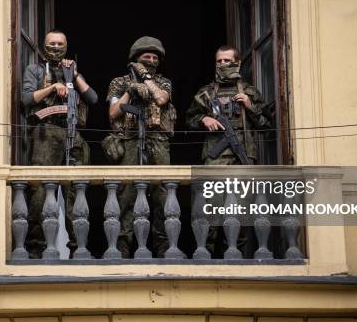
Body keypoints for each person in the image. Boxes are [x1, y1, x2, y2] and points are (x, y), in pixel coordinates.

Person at [186, 45, 270, 256]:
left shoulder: (249, 92)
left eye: (226, 60)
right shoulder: (206, 93)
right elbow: (189, 119)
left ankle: (235, 258)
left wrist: (250, 106)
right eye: (219, 61)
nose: (222, 64)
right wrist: (204, 118)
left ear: (237, 63)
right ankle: (207, 258)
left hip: (242, 160)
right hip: (215, 160)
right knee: (210, 211)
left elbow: (265, 124)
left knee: (239, 214)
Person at [21, 29, 98, 258]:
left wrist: (72, 74)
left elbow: (92, 98)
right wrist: (53, 87)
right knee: (41, 192)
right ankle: (36, 248)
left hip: (72, 133)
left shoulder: (72, 71)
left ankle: (79, 248)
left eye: (60, 44)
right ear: (45, 47)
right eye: (52, 43)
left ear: (66, 46)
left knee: (77, 191)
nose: (56, 47)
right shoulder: (35, 70)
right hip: (46, 131)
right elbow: (26, 99)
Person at [104, 36, 177, 258]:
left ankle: (163, 245)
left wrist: (145, 79)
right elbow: (113, 112)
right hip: (129, 141)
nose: (152, 60)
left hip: (158, 142)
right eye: (147, 57)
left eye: (156, 57)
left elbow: (162, 99)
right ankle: (122, 245)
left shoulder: (163, 82)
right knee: (126, 194)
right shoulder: (118, 82)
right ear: (136, 58)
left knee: (162, 195)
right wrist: (131, 90)